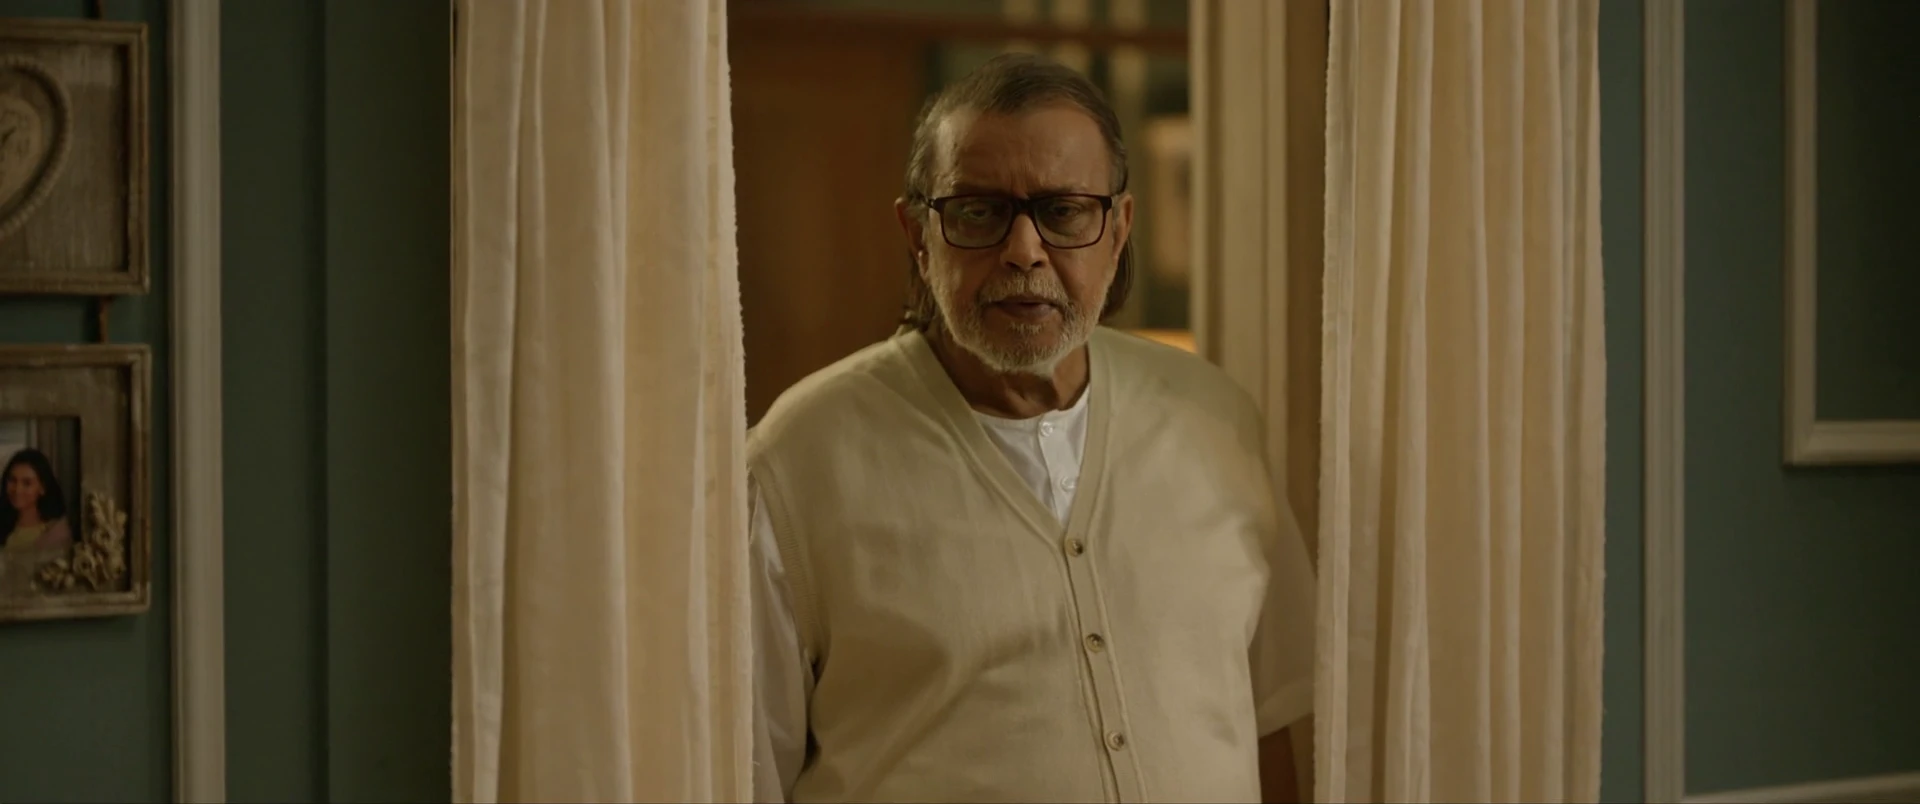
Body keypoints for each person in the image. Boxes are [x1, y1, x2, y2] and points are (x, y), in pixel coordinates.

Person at [747, 53, 1316, 803]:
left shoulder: (1216, 423)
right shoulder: (800, 459)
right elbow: (744, 768)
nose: (1023, 251)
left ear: (1119, 228)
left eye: (1064, 211)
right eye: (978, 211)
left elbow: (1268, 720)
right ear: (917, 234)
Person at [2, 448, 74, 554]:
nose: (17, 490)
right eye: (12, 480)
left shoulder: (56, 532)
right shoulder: (4, 526)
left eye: (27, 483)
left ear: (42, 488)